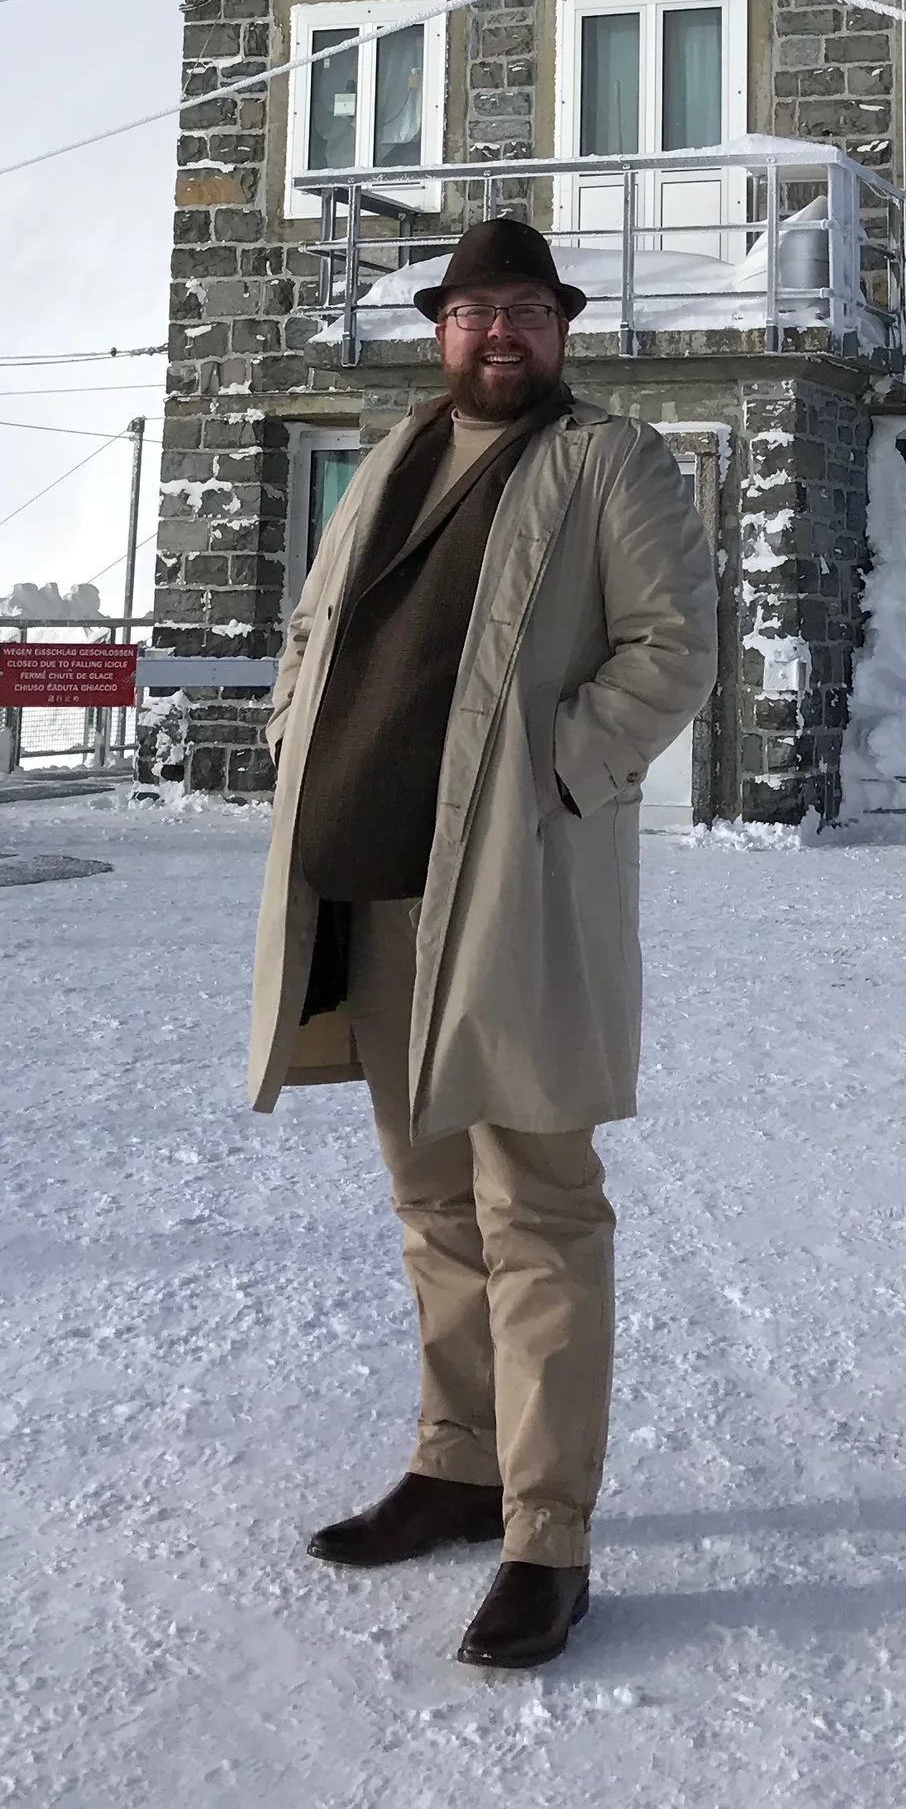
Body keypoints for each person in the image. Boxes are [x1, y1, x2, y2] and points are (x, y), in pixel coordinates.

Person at [246, 215, 717, 1670]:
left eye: (524, 309)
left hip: (511, 891)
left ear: (561, 328)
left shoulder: (608, 462)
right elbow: (321, 634)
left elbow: (674, 646)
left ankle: (547, 1536)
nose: (495, 334)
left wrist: (556, 777)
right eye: (470, 311)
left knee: (540, 1209)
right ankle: (456, 1463)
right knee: (433, 1199)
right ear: (437, 328)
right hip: (371, 885)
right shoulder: (391, 457)